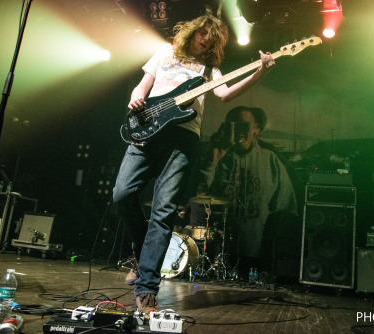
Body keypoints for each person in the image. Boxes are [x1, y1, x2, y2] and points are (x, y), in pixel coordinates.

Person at [112, 14, 276, 312]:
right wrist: (136, 99)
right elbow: (142, 86)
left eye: (212, 39)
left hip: (183, 139)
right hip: (147, 131)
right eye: (203, 34)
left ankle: (147, 288)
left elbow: (224, 95)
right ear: (192, 31)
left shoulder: (209, 69)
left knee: (163, 211)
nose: (205, 40)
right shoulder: (164, 52)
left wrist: (260, 73)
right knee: (122, 194)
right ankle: (141, 251)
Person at [197, 106, 298, 280]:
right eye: (232, 125)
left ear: (256, 129)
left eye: (243, 125)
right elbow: (199, 192)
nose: (237, 131)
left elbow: (286, 208)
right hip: (219, 250)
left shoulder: (271, 160)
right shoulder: (216, 157)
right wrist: (213, 160)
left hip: (257, 251)